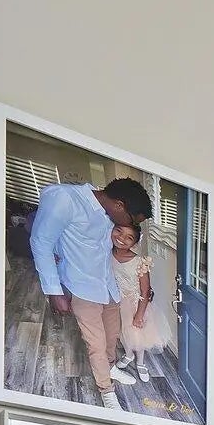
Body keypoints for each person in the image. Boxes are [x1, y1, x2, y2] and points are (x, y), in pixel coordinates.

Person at [26, 175, 153, 410]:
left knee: (112, 336)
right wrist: (54, 291)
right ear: (119, 206)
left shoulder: (108, 212)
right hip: (82, 287)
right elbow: (41, 242)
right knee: (96, 343)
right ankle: (106, 391)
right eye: (132, 220)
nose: (131, 226)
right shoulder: (65, 198)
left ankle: (110, 367)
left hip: (108, 286)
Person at [110, 224, 170, 384]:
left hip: (136, 304)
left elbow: (145, 290)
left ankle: (140, 363)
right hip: (118, 301)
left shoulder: (139, 262)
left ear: (135, 243)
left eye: (129, 238)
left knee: (137, 334)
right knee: (124, 332)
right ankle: (129, 355)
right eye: (119, 232)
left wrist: (139, 314)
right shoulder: (108, 254)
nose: (122, 239)